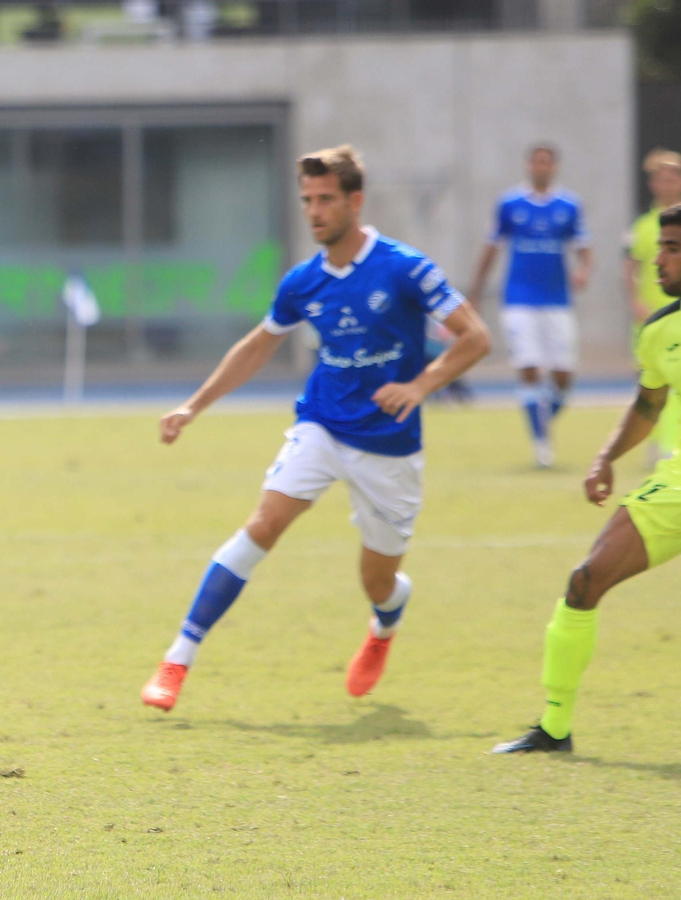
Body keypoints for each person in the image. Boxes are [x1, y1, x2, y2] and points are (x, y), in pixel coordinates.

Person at [140, 145, 491, 712]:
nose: (314, 211)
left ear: (355, 201)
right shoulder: (303, 282)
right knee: (264, 522)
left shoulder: (405, 267)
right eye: (307, 200)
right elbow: (258, 347)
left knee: (377, 581)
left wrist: (420, 387)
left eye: (325, 199)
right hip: (322, 424)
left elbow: (475, 336)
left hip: (390, 445)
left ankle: (384, 625)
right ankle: (178, 658)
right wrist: (193, 406)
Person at [492, 199, 681, 754]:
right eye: (659, 246)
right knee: (585, 581)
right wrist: (605, 456)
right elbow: (648, 406)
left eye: (673, 248)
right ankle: (554, 727)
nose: (657, 260)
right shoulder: (660, 331)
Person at [468, 143, 593, 468]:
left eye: (547, 163)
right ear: (528, 166)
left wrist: (583, 270)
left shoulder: (569, 205)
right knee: (529, 368)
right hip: (519, 298)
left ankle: (542, 421)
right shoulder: (510, 204)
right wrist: (476, 290)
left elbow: (584, 246)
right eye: (536, 162)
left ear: (554, 167)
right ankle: (541, 444)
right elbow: (491, 248)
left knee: (563, 375)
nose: (541, 168)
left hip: (557, 299)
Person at [625, 149, 681, 459]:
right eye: (661, 178)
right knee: (654, 383)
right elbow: (631, 267)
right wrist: (635, 300)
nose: (667, 184)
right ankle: (657, 442)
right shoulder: (643, 226)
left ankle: (674, 444)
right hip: (653, 317)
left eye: (673, 177)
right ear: (653, 184)